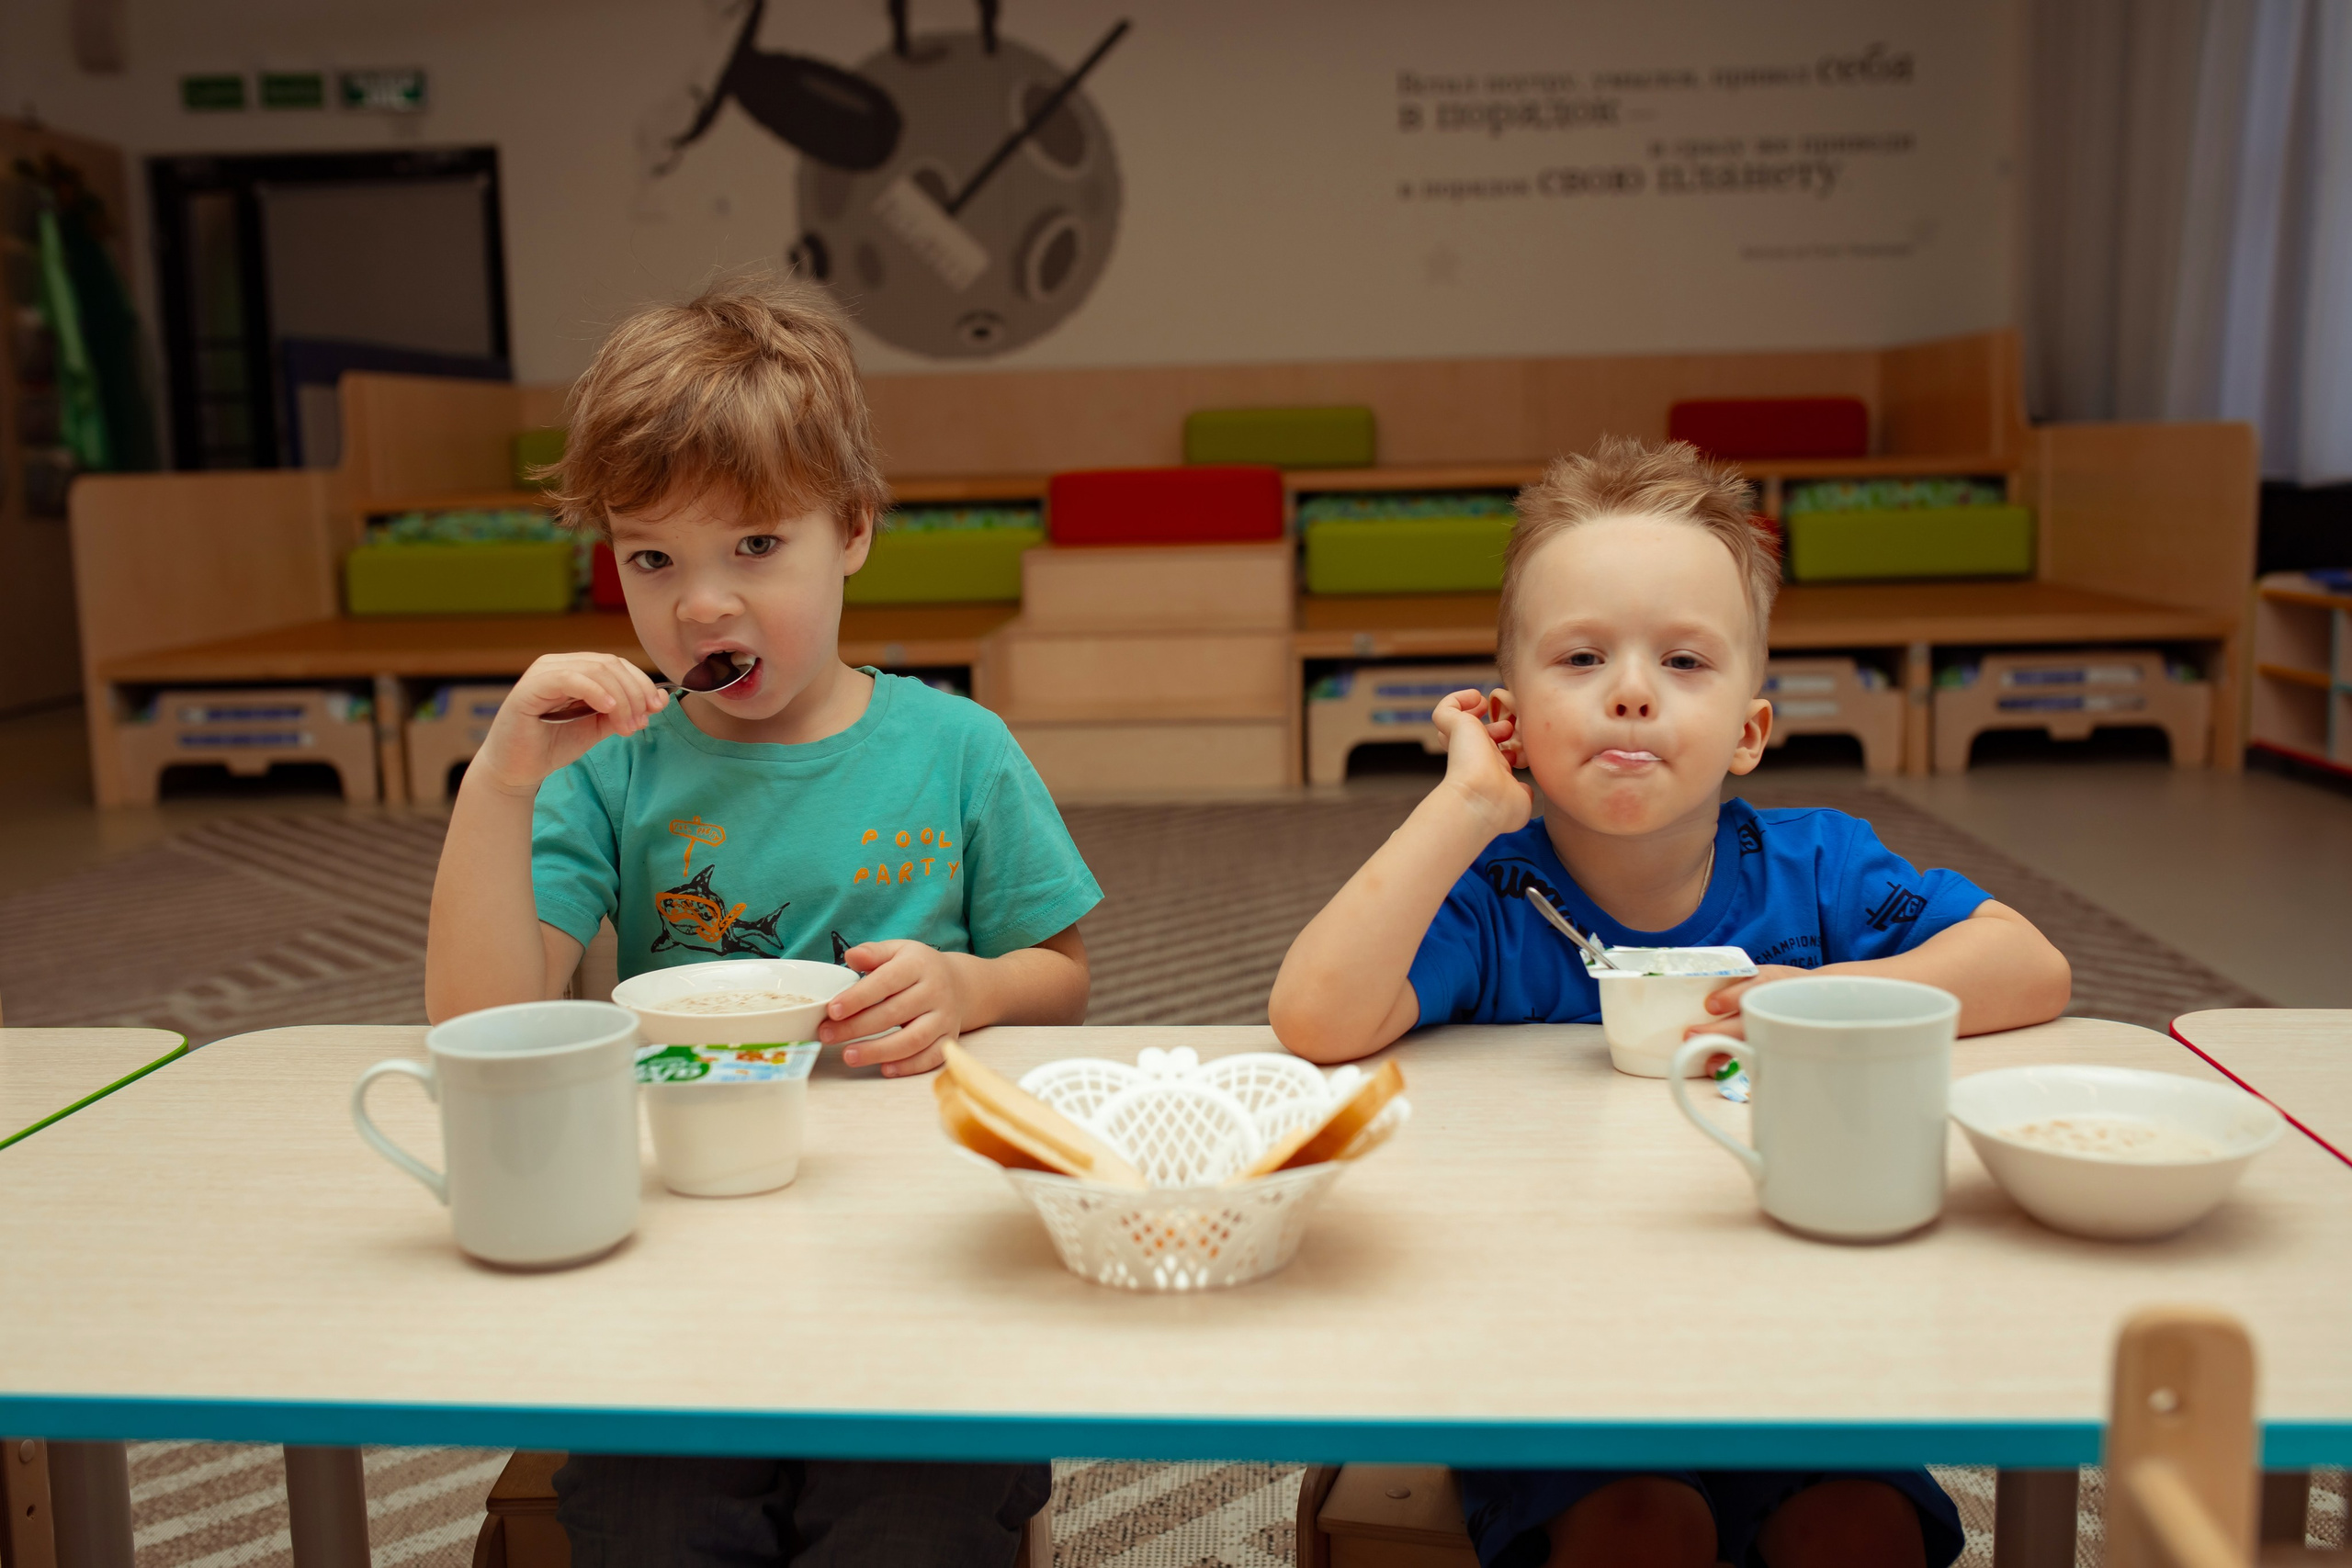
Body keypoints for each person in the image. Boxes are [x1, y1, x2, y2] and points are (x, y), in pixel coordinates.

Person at [1267, 436, 2071, 1568]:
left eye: (1685, 664)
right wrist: (1461, 807)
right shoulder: (1495, 899)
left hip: (1806, 1344)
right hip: (1554, 1349)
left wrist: (1831, 996)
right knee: (1641, 1528)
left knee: (1860, 1529)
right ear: (1513, 715)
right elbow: (1315, 1017)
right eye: (1583, 658)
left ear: (1748, 730)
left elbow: (2027, 962)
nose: (1633, 691)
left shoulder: (1819, 870)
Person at [424, 274, 1098, 1567]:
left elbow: (1061, 976)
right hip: (682, 1254)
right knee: (652, 1525)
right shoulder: (609, 768)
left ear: (849, 528)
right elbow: (479, 1028)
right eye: (651, 557)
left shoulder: (958, 748)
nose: (701, 606)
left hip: (924, 1254)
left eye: (753, 547)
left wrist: (971, 984)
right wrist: (502, 782)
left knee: (910, 1526)